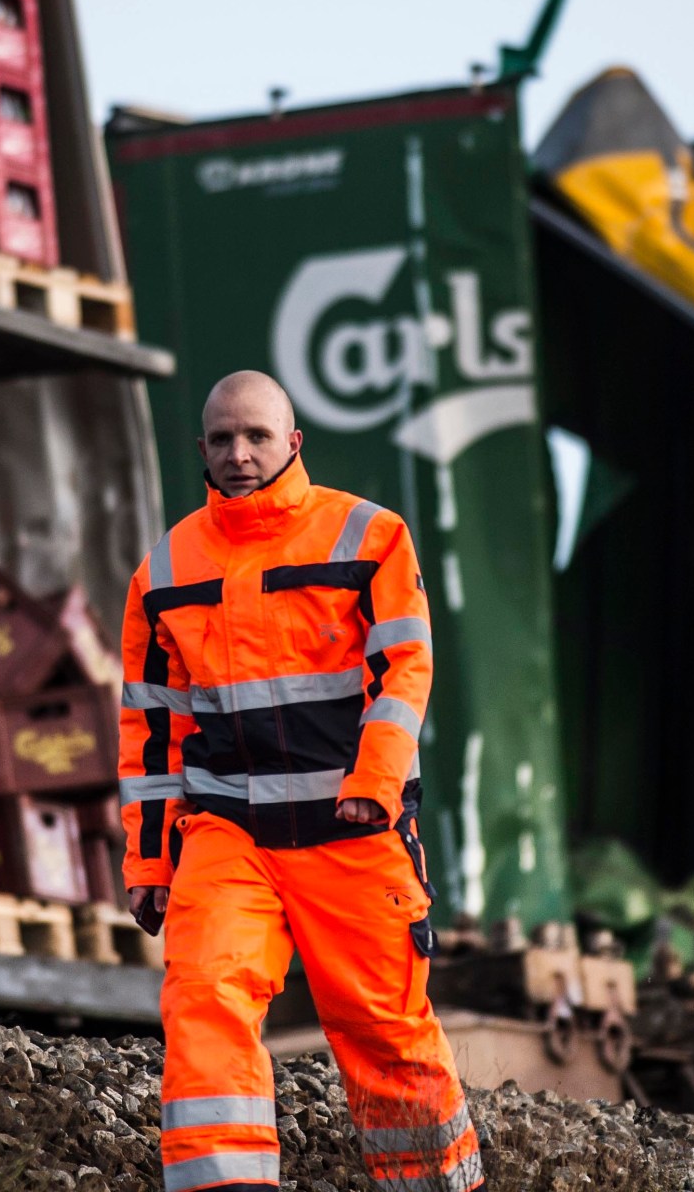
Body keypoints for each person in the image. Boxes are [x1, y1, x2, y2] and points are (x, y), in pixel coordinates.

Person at [118, 370, 481, 1192]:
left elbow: (405, 670)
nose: (238, 455)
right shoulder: (162, 570)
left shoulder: (369, 536)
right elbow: (150, 732)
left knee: (383, 1033)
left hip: (351, 831)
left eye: (255, 437)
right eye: (221, 439)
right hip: (228, 833)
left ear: (293, 442)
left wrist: (375, 783)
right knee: (203, 999)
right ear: (200, 448)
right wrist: (149, 865)